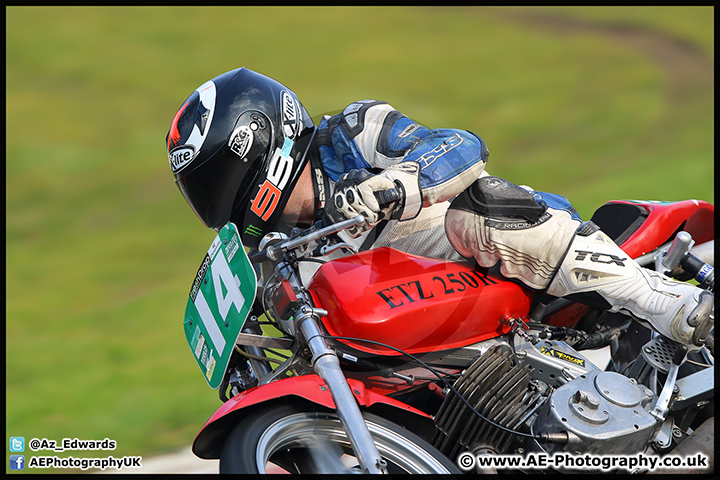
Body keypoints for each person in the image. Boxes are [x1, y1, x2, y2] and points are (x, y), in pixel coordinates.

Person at [166, 67, 712, 347]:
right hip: (435, 325)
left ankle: (666, 301)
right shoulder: (269, 250)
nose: (220, 197)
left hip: (498, 247)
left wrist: (398, 184)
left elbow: (461, 146)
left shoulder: (354, 131)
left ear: (259, 143)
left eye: (219, 178)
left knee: (471, 209)